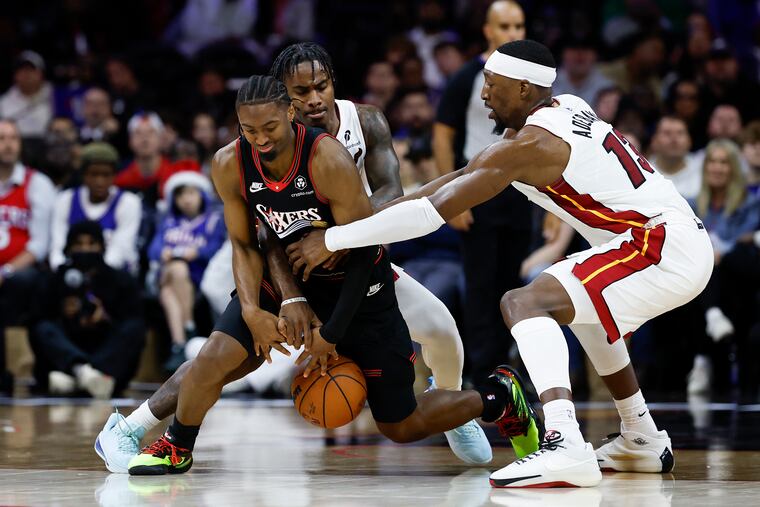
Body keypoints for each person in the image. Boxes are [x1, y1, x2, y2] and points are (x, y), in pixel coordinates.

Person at [287, 40, 714, 488]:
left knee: (525, 302)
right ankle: (641, 435)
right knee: (584, 313)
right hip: (664, 240)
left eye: (492, 84)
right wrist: (361, 223)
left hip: (662, 244)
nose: (484, 94)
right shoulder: (562, 107)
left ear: (525, 89)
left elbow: (431, 214)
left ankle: (564, 442)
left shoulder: (531, 143)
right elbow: (445, 184)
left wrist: (333, 239)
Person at [94, 44, 504, 472]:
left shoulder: (360, 125)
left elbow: (392, 200)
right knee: (223, 357)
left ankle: (454, 406)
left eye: (320, 87)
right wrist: (282, 301)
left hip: (358, 255)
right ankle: (136, 428)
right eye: (299, 92)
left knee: (440, 329)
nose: (312, 100)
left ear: (332, 84)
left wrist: (332, 237)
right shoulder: (249, 153)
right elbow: (264, 236)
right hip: (292, 265)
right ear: (283, 100)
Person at [432, 0, 532, 386]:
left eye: (519, 25)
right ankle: (481, 373)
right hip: (478, 192)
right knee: (480, 286)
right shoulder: (469, 76)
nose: (513, 33)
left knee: (513, 284)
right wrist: (453, 196)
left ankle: (508, 372)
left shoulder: (533, 83)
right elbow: (443, 134)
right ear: (488, 31)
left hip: (521, 192)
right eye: (505, 26)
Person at [30, 221, 145, 399]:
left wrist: (105, 318)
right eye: (79, 244)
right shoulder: (53, 279)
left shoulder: (120, 280)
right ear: (69, 248)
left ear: (101, 247)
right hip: (65, 354)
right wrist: (64, 315)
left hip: (106, 356)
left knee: (134, 328)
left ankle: (79, 378)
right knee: (42, 327)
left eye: (92, 244)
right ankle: (82, 372)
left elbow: (132, 322)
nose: (85, 249)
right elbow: (38, 320)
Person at [147, 171, 226, 372]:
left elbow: (216, 248)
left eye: (191, 193)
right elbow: (153, 249)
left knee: (169, 288)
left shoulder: (213, 220)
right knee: (175, 272)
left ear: (202, 195)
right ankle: (188, 326)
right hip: (168, 273)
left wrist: (197, 252)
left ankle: (179, 344)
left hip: (199, 275)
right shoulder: (169, 221)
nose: (186, 199)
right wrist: (161, 252)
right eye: (181, 195)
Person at [0, 119, 56, 394]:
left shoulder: (37, 183)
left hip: (20, 273)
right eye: (2, 138)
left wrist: (5, 271)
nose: (8, 144)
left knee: (24, 283)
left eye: (13, 138)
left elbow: (40, 244)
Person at [49, 142, 141, 271]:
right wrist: (63, 271)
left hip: (115, 276)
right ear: (83, 175)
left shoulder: (129, 202)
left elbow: (121, 249)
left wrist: (93, 274)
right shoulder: (65, 200)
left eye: (106, 175)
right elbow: (58, 247)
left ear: (115, 175)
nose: (100, 182)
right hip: (73, 273)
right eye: (94, 175)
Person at [648, 116, 702, 200]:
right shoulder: (642, 172)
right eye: (667, 133)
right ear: (654, 141)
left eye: (680, 133)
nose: (674, 139)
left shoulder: (702, 170)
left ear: (689, 140)